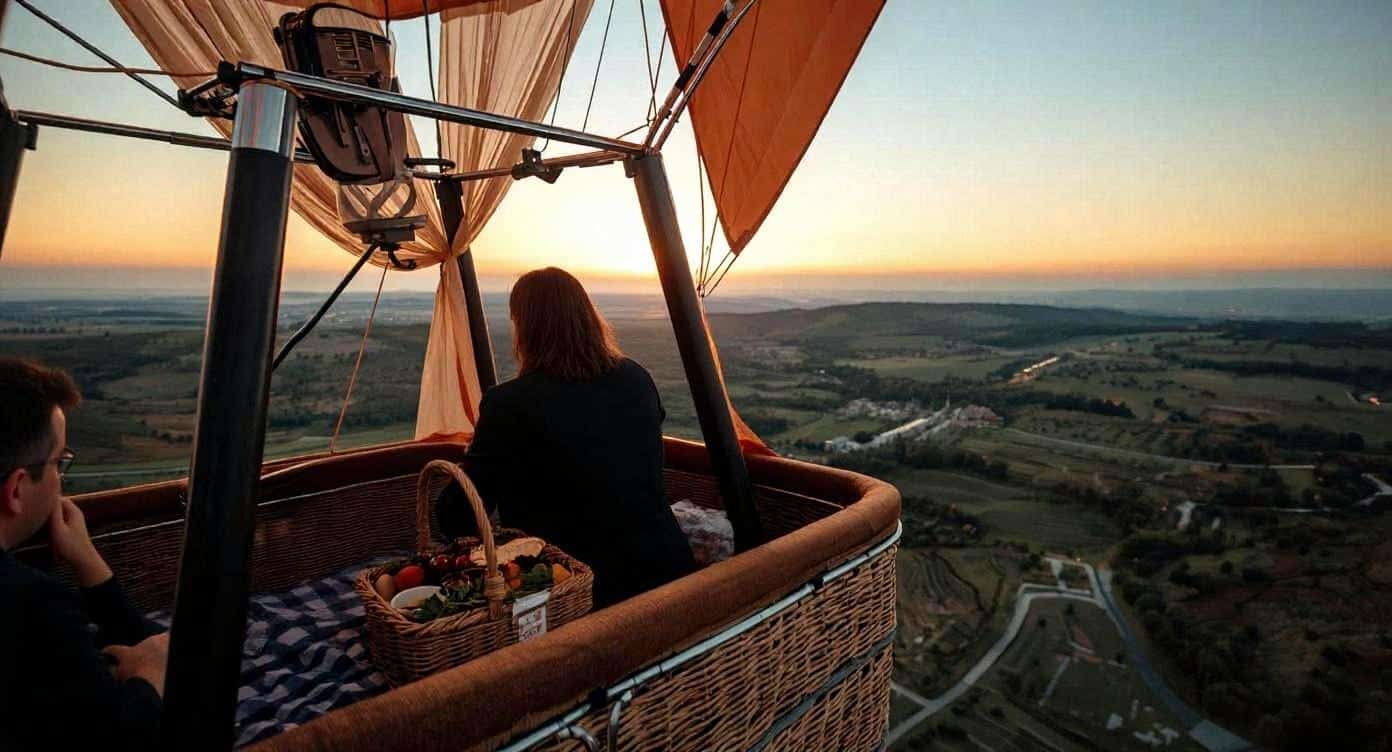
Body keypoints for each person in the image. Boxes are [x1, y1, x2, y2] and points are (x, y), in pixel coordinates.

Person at [438, 267, 697, 606]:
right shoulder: (636, 377)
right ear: (588, 316)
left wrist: (476, 456)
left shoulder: (510, 404)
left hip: (578, 591)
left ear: (525, 329)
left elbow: (459, 513)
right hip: (671, 571)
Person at [0, 358, 168, 749]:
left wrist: (86, 560)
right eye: (58, 462)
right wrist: (151, 674)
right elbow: (123, 738)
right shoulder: (33, 603)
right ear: (16, 489)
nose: (60, 479)